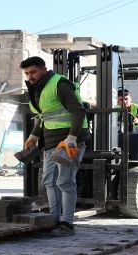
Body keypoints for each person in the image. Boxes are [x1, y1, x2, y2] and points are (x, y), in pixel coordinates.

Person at [21, 56, 90, 236]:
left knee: (65, 182)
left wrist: (72, 137)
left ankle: (67, 224)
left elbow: (79, 111)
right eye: (27, 73)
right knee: (49, 181)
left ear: (44, 69)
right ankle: (54, 219)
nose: (30, 76)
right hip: (50, 142)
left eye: (33, 72)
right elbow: (44, 115)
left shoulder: (60, 84)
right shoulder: (38, 88)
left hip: (68, 143)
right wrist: (34, 135)